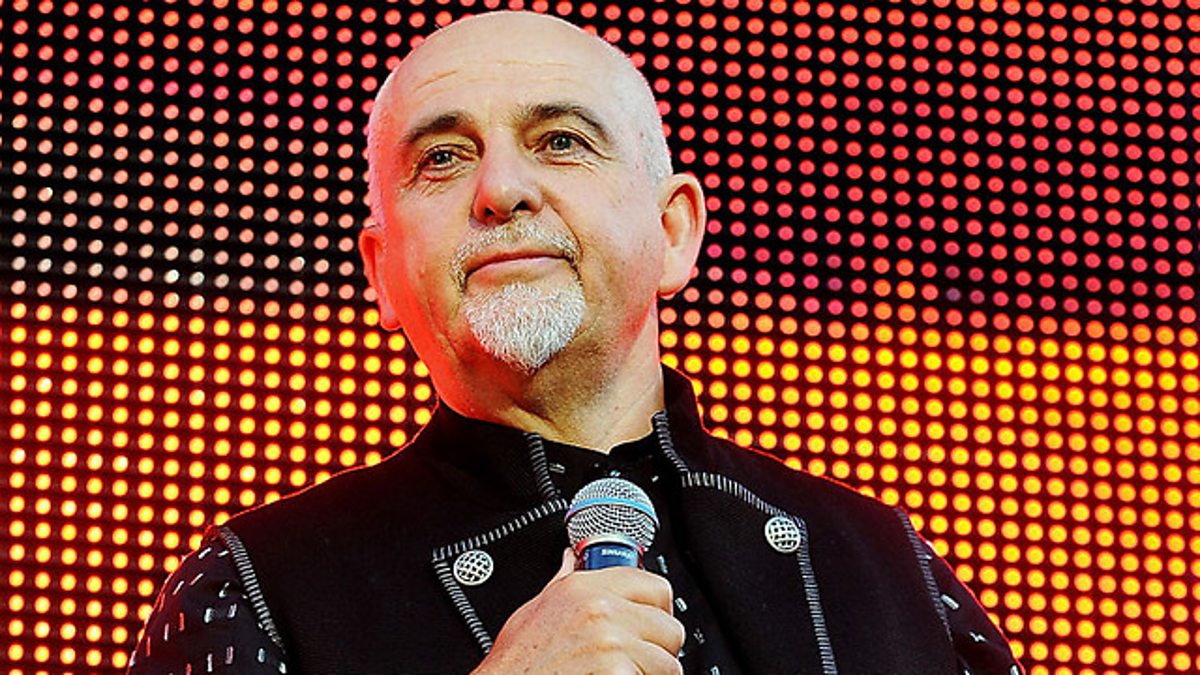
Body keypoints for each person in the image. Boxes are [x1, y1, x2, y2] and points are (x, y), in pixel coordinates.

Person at [130, 11, 1021, 674]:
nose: (499, 189)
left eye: (560, 141)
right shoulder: (254, 585)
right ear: (383, 272)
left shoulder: (886, 566)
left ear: (673, 233)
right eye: (442, 157)